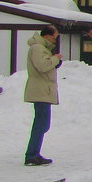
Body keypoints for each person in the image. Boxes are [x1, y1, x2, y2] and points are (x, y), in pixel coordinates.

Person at [24, 25, 62, 166]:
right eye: (54, 37)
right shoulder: (38, 48)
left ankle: (34, 153)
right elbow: (42, 65)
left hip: (42, 90)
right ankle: (31, 155)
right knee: (41, 123)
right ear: (47, 36)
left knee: (42, 123)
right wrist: (55, 59)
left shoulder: (41, 48)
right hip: (40, 90)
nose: (55, 40)